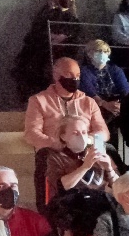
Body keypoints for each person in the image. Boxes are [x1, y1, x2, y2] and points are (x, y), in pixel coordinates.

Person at [24, 57, 111, 210]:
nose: (74, 79)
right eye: (70, 75)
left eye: (78, 76)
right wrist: (58, 143)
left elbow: (103, 132)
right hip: (56, 152)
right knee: (44, 155)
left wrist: (87, 140)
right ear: (56, 75)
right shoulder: (38, 100)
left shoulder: (88, 102)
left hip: (85, 149)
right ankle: (47, 208)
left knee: (110, 150)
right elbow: (31, 134)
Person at [44, 115, 118, 236]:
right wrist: (85, 166)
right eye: (75, 133)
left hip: (99, 201)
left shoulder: (96, 151)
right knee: (86, 219)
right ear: (63, 136)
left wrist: (109, 168)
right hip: (72, 204)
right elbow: (62, 186)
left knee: (120, 211)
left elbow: (119, 187)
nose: (82, 136)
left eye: (84, 132)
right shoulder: (55, 157)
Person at [12, 0, 81, 103]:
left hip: (65, 53)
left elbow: (77, 36)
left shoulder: (74, 19)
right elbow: (36, 31)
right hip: (44, 52)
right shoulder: (46, 14)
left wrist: (64, 38)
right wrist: (50, 36)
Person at [79, 39, 129, 147]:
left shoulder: (115, 70)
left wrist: (120, 105)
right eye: (98, 51)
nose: (102, 54)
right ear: (89, 53)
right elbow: (89, 92)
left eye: (105, 51)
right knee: (103, 119)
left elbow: (125, 90)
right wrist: (104, 104)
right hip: (96, 106)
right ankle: (103, 148)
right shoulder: (84, 71)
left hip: (116, 105)